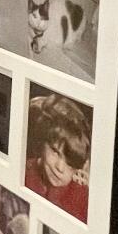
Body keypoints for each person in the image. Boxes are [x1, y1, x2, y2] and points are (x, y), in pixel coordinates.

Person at [25, 91, 92, 221]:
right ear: (42, 142)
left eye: (70, 162)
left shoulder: (84, 200)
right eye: (55, 151)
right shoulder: (23, 171)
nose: (60, 168)